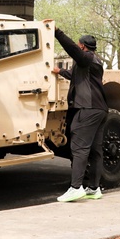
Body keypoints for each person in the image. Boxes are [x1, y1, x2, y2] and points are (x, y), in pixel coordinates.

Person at [49, 25, 108, 203]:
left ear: (82, 46)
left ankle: (76, 188)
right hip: (100, 109)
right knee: (95, 150)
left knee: (79, 148)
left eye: (78, 45)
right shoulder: (96, 61)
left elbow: (72, 49)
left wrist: (57, 32)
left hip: (87, 109)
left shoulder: (86, 57)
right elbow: (78, 77)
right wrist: (61, 72)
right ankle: (94, 188)